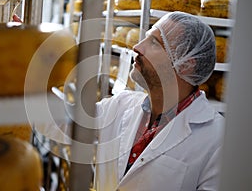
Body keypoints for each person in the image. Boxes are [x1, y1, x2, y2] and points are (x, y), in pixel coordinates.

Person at [95, 11, 225, 191]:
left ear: (186, 64)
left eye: (154, 42)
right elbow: (62, 121)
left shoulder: (218, 141)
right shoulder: (120, 104)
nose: (137, 47)